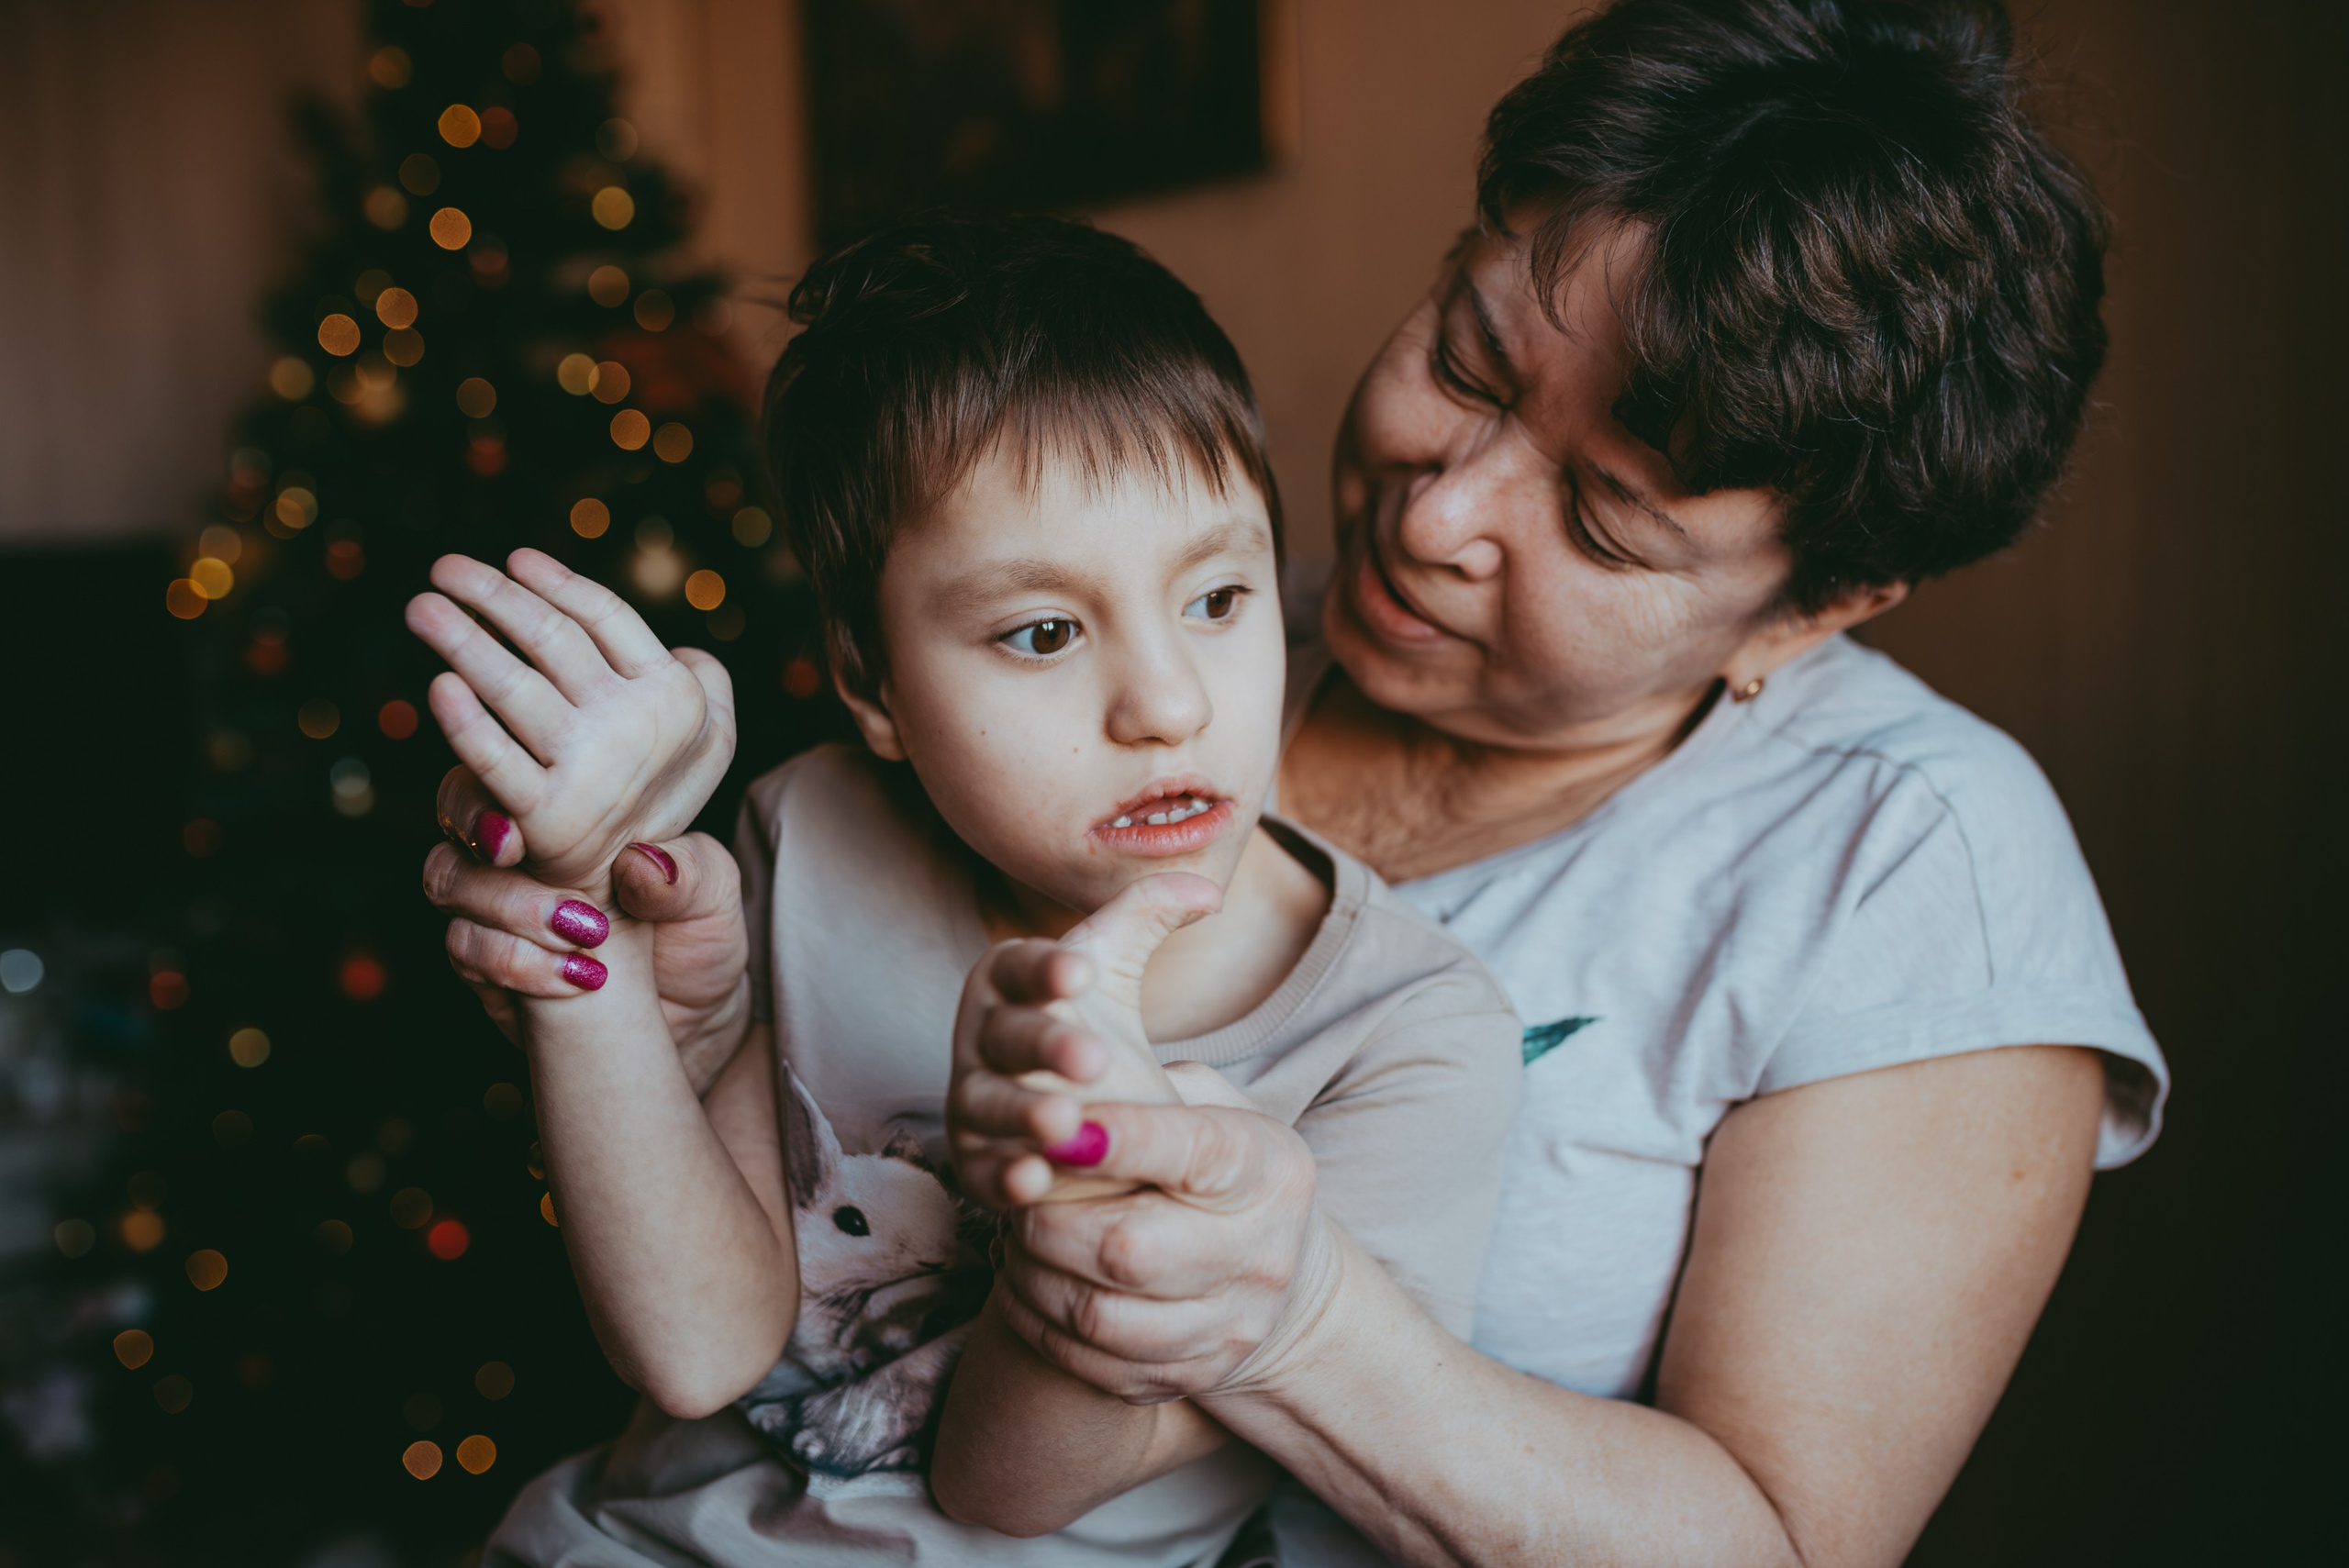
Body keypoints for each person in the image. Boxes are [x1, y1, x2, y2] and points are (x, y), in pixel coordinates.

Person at [429, 2, 2174, 1562]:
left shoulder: (1905, 859)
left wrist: (1281, 1311)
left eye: (1602, 519)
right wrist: (648, 999)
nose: (1437, 509)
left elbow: (1778, 1546)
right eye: (1468, 358)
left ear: (1812, 607)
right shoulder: (1147, 661)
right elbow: (713, 1291)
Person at [408, 213, 1520, 1566]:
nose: (1167, 703)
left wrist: (1088, 1193)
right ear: (872, 682)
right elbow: (697, 1348)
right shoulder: (813, 832)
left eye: (1220, 599)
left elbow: (1006, 1487)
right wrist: (583, 949)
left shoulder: (1408, 1036)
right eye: (1044, 631)